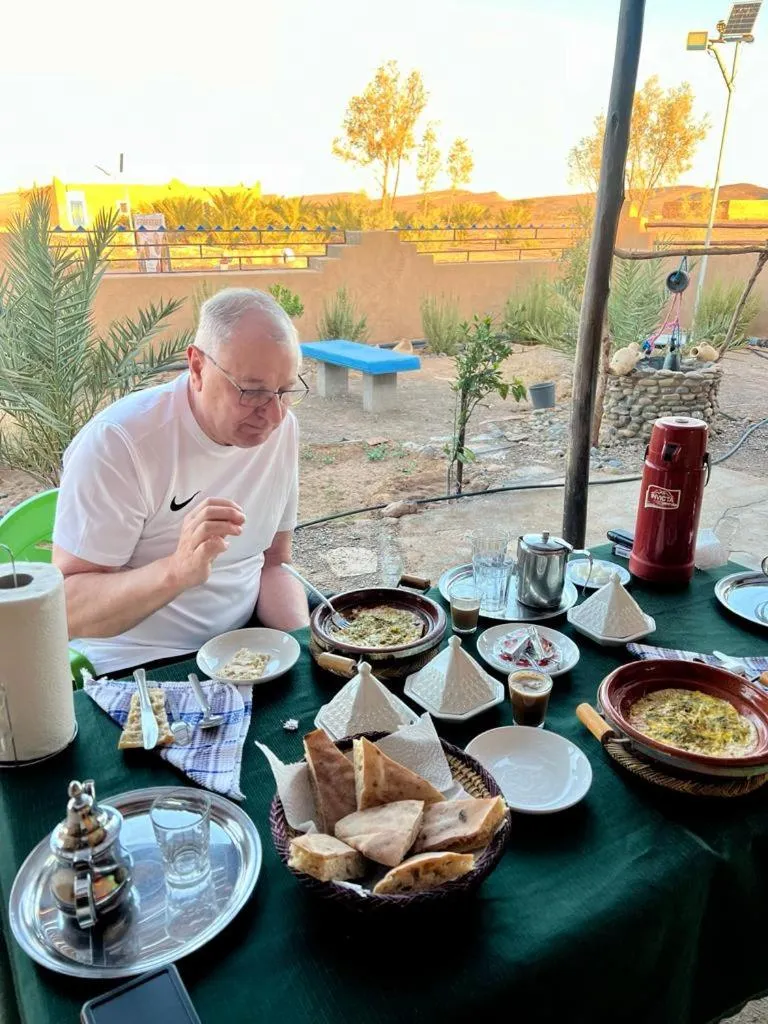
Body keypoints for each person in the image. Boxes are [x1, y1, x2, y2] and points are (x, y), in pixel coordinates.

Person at [52, 287, 310, 675]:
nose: (272, 416)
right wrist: (177, 571)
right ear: (197, 367)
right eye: (252, 392)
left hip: (249, 645)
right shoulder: (121, 443)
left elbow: (273, 564)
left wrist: (302, 646)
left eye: (285, 391)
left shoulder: (281, 428)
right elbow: (68, 609)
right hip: (143, 663)